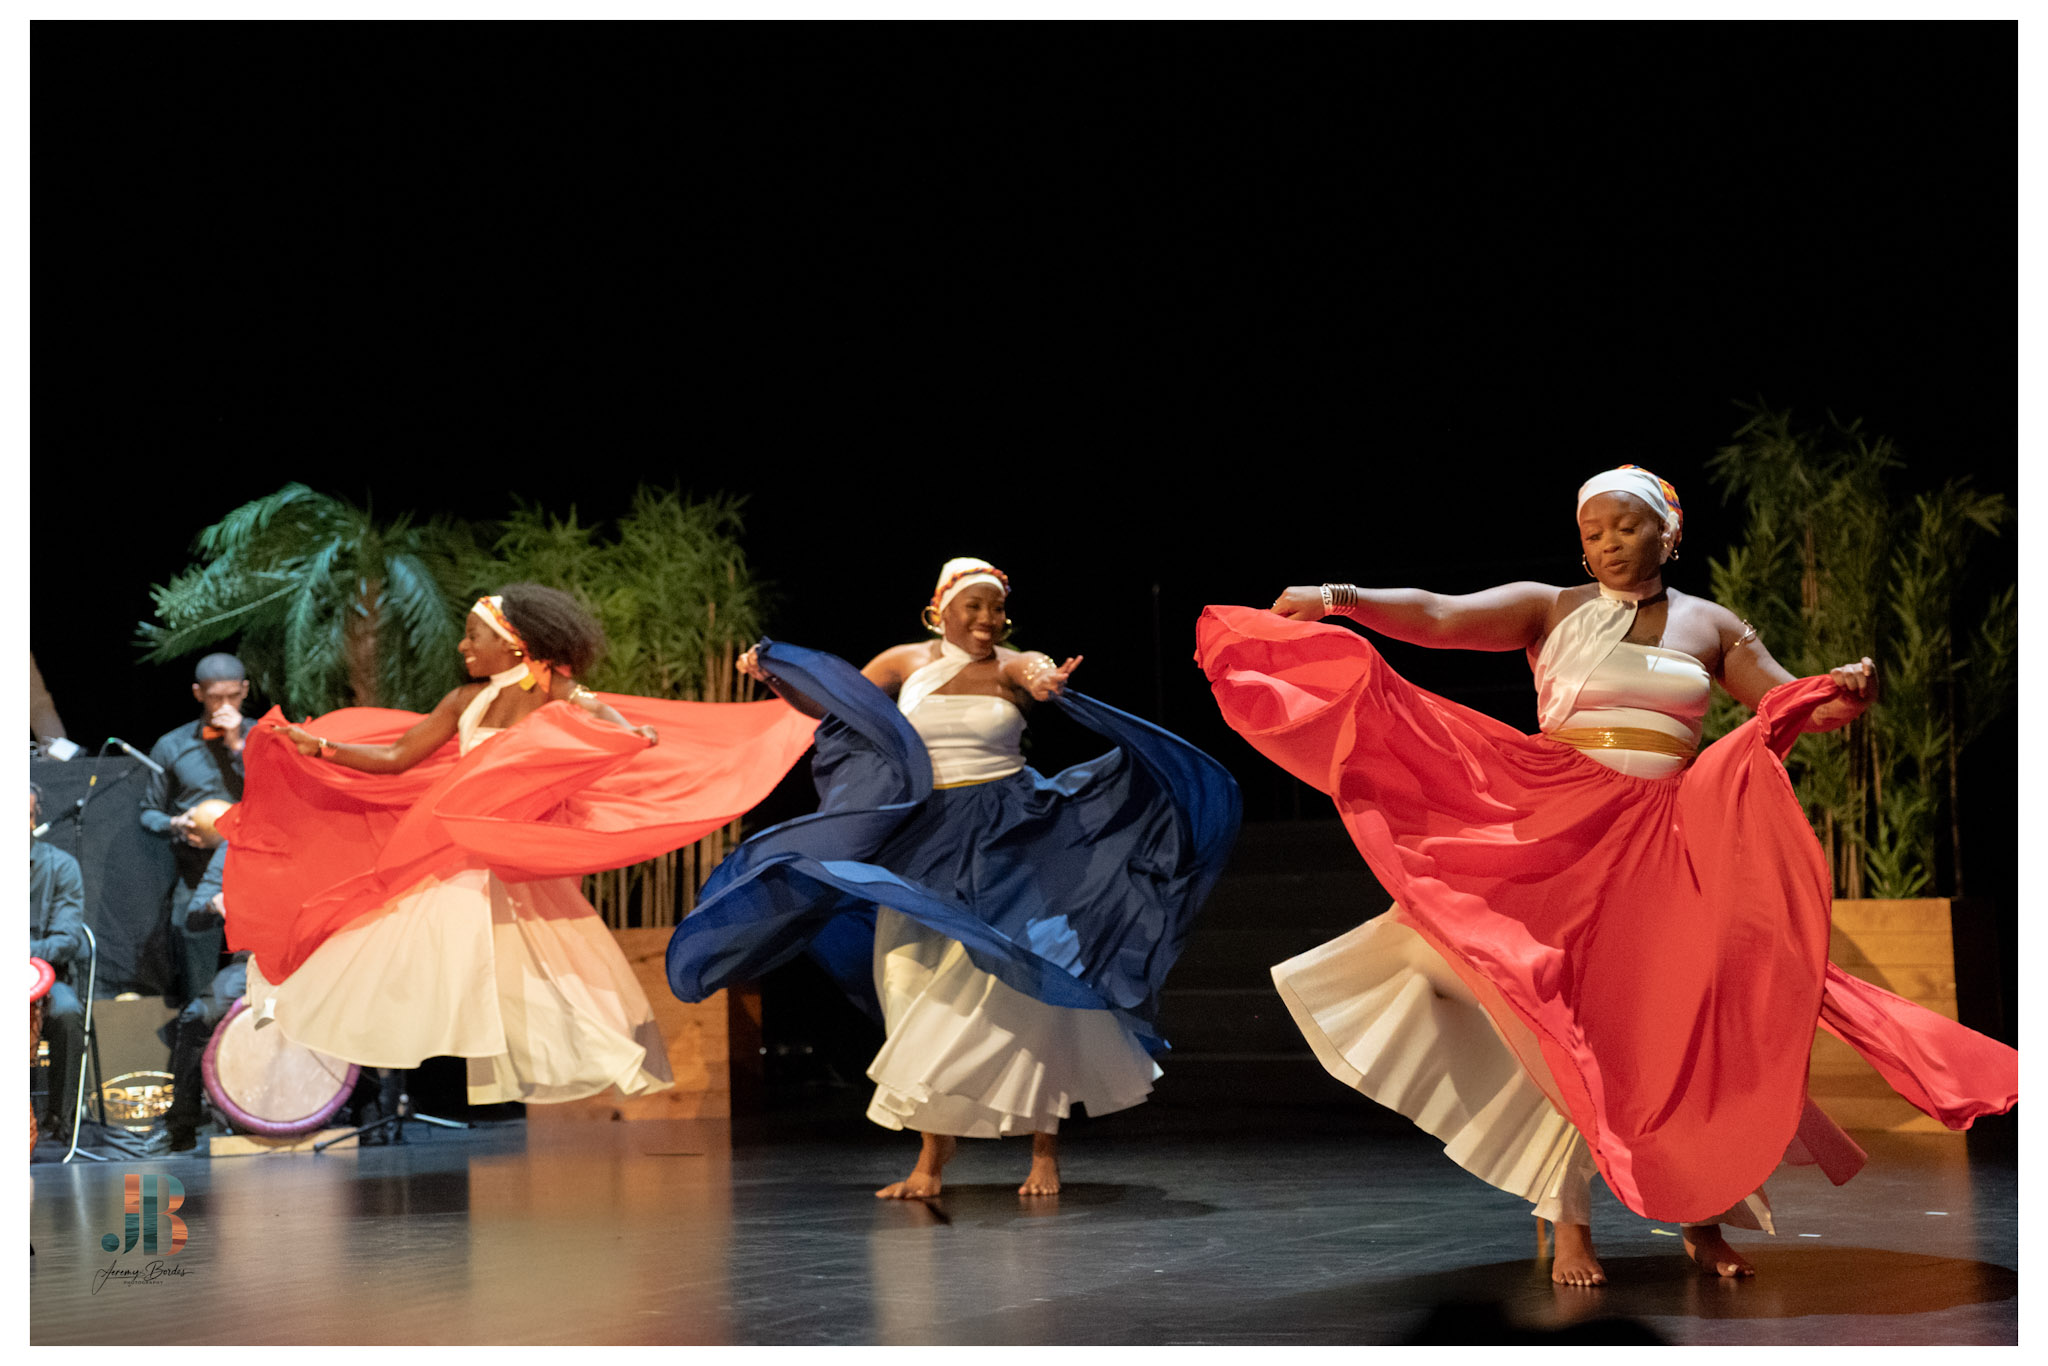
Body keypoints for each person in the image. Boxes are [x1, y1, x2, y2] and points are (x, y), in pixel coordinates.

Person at [1197, 465, 2018, 1285]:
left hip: (1662, 839)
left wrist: (1847, 690)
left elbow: (1795, 704)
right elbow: (1440, 614)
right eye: (1593, 532)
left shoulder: (1714, 626)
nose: (1609, 544)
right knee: (1557, 1020)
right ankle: (1570, 1222)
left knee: (1672, 1030)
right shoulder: (1551, 607)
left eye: (1626, 527)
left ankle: (1703, 1219)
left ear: (1670, 532)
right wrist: (1340, 597)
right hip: (1559, 824)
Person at [668, 559, 1241, 1197]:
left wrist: (1046, 676)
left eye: (997, 608)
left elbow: (1034, 668)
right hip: (922, 839)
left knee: (1025, 986)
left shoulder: (1009, 665)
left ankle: (1044, 1148)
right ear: (940, 608)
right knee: (908, 982)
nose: (988, 620)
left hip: (1008, 833)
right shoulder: (903, 663)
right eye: (974, 605)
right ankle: (931, 1160)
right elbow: (837, 703)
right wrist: (778, 674)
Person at [222, 584, 818, 1107]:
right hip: (458, 845)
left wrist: (628, 734)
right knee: (409, 938)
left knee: (548, 956)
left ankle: (608, 1053)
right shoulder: (463, 701)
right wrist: (320, 749)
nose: (462, 646)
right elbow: (398, 757)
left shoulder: (553, 690)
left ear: (512, 643)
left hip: (519, 847)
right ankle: (343, 1008)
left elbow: (601, 714)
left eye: (472, 635)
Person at [140, 652, 250, 1004]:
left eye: (232, 695)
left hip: (253, 872)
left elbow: (282, 794)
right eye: (215, 696)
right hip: (196, 874)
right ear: (197, 693)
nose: (224, 705)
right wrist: (175, 822)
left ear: (245, 690)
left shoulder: (265, 737)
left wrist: (237, 744)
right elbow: (148, 812)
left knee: (257, 983)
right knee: (200, 990)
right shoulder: (171, 745)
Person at [30, 783, 87, 1147]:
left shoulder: (60, 866)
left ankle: (57, 1119)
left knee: (67, 1013)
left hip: (44, 977)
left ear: (33, 817)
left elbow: (67, 939)